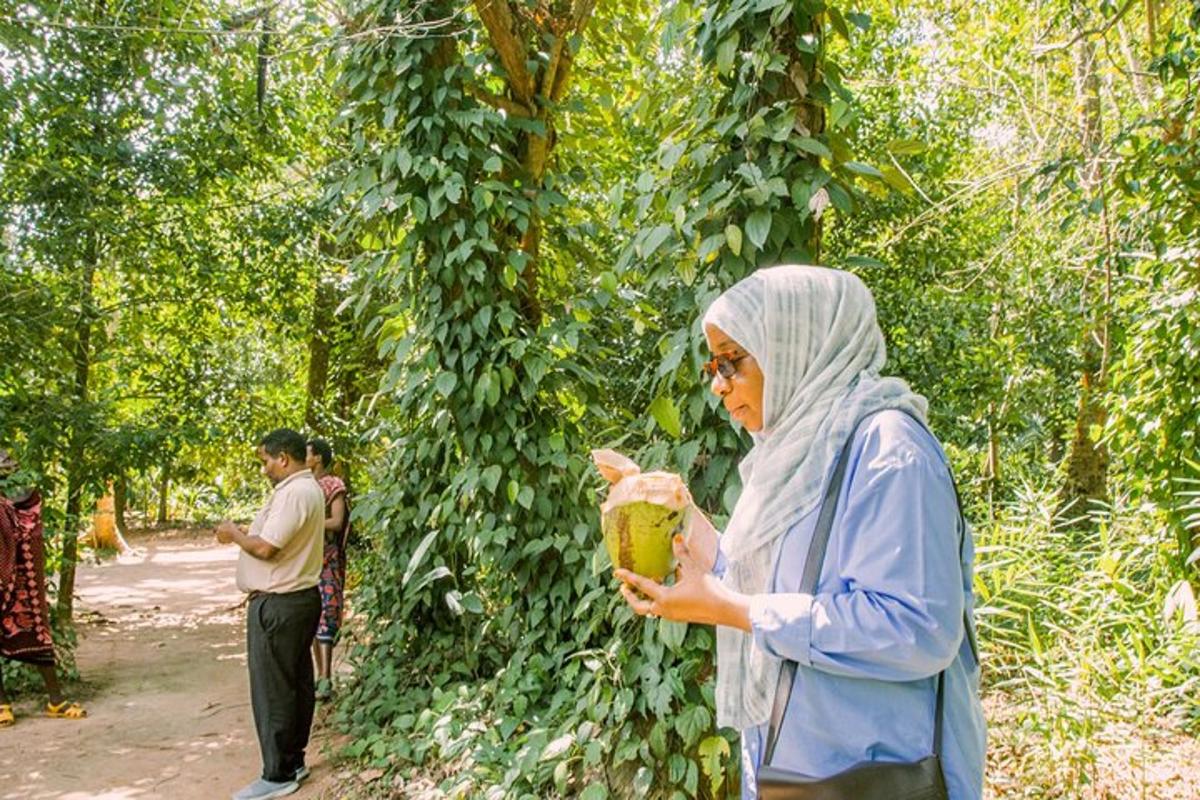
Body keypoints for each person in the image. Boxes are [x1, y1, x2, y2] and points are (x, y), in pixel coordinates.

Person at [614, 266, 986, 799]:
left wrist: (734, 610)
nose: (718, 385)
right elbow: (773, 587)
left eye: (732, 362)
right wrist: (677, 515)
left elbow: (917, 628)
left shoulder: (889, 450)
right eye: (712, 368)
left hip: (877, 772)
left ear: (796, 345)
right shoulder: (792, 456)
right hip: (792, 768)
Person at [216, 429, 325, 800]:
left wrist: (233, 534)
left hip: (280, 603)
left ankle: (277, 774)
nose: (264, 468)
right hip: (296, 599)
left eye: (265, 460)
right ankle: (293, 761)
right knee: (294, 682)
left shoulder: (296, 492)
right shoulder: (303, 490)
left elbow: (265, 548)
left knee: (273, 689)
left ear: (283, 458)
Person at [0, 449, 87, 726]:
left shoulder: (26, 495)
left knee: (37, 630)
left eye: (10, 462)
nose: (8, 465)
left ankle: (55, 699)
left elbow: (30, 520)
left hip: (25, 580)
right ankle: (2, 704)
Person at [304, 438, 349, 702]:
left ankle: (326, 677)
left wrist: (310, 523)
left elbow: (337, 521)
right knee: (310, 616)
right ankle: (318, 674)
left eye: (308, 454)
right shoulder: (305, 486)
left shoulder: (334, 485)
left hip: (328, 559)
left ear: (318, 457)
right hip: (309, 559)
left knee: (327, 614)